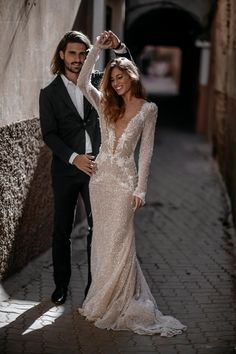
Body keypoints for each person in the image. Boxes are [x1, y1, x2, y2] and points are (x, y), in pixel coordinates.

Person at [77, 31, 187, 336]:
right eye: (112, 79)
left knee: (121, 242)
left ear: (131, 75)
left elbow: (147, 152)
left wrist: (141, 189)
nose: (115, 83)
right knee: (101, 242)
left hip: (125, 182)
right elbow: (82, 82)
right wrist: (96, 49)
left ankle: (123, 299)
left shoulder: (148, 109)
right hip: (100, 180)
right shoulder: (104, 104)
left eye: (120, 76)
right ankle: (102, 300)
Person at [39, 30, 132, 306]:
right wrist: (74, 158)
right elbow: (49, 134)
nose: (78, 59)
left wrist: (119, 47)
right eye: (73, 53)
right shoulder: (49, 92)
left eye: (83, 53)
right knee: (62, 231)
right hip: (67, 169)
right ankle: (61, 286)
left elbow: (129, 76)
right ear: (62, 55)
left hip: (100, 169)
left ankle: (94, 288)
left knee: (98, 229)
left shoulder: (99, 81)